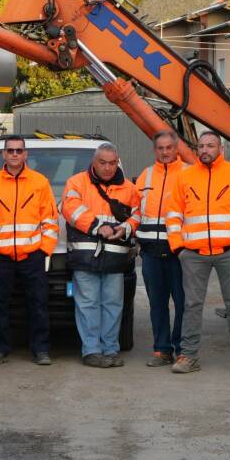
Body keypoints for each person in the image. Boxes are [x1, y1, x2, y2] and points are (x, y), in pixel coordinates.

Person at [166, 131, 230, 375]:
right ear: (197, 150)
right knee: (191, 305)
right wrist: (178, 247)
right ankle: (188, 356)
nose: (205, 150)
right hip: (193, 254)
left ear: (220, 149)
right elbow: (173, 214)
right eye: (201, 146)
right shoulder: (184, 177)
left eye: (210, 145)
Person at [61, 143, 140, 368]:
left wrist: (124, 229)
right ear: (94, 162)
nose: (107, 168)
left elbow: (137, 215)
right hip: (85, 257)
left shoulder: (129, 188)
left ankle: (111, 350)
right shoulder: (76, 183)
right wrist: (97, 226)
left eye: (112, 163)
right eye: (102, 163)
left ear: (118, 162)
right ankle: (92, 351)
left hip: (115, 258)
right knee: (88, 304)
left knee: (113, 305)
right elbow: (70, 209)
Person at [0, 135, 58, 366]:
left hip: (32, 255)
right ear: (4, 155)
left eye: (19, 151)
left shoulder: (40, 183)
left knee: (38, 303)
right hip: (0, 257)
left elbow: (50, 220)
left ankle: (41, 349)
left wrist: (44, 250)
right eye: (10, 151)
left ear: (26, 155)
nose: (15, 154)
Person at [135, 130, 188, 367]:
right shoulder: (145, 176)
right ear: (154, 149)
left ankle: (182, 348)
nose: (165, 152)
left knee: (183, 303)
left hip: (180, 253)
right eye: (160, 148)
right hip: (150, 252)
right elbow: (136, 211)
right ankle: (162, 350)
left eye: (169, 147)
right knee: (157, 303)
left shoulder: (188, 173)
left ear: (176, 148)